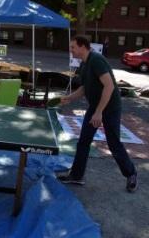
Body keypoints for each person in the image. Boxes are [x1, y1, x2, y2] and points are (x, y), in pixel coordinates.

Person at [58, 36, 138, 192]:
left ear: (83, 47)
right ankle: (76, 175)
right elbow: (84, 88)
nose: (71, 50)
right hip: (95, 107)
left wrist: (99, 112)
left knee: (113, 143)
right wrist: (69, 98)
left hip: (110, 108)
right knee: (83, 141)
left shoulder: (96, 60)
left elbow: (109, 87)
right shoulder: (84, 63)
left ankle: (131, 174)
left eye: (73, 47)